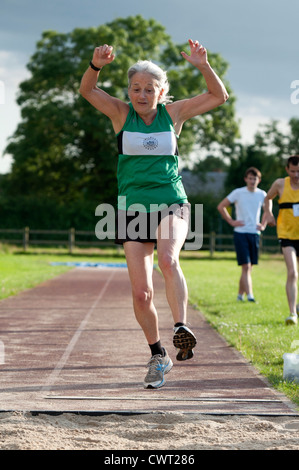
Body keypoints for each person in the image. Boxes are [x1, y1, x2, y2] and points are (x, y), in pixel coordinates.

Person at [80, 39, 229, 388]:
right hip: (131, 208)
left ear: (161, 92)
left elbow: (218, 97)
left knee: (168, 259)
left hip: (171, 202)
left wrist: (203, 66)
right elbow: (88, 90)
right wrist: (95, 64)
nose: (142, 94)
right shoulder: (120, 114)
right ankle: (158, 356)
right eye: (136, 88)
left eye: (149, 89)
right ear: (129, 91)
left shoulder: (173, 114)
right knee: (141, 294)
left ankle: (181, 326)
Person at [217, 167, 268, 302]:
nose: (252, 181)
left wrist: (263, 225)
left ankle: (240, 295)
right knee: (246, 266)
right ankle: (250, 295)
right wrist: (231, 221)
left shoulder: (262, 194)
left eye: (255, 179)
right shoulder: (238, 193)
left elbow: (268, 211)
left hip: (255, 233)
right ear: (246, 179)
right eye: (250, 178)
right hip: (240, 233)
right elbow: (221, 206)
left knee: (248, 267)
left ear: (259, 180)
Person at [262, 155, 299, 325]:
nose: (296, 175)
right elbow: (267, 198)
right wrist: (268, 214)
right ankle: (292, 313)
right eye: (293, 171)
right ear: (287, 169)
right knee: (292, 272)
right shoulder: (280, 184)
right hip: (286, 235)